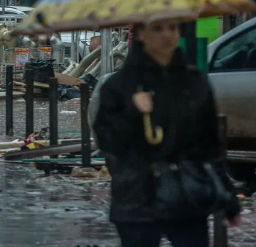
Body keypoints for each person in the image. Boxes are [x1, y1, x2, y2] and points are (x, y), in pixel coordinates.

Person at [93, 20, 241, 247]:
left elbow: (210, 144)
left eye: (172, 28)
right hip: (137, 200)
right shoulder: (119, 85)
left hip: (187, 196)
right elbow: (108, 141)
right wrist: (134, 112)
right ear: (141, 34)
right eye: (158, 28)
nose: (167, 35)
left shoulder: (194, 82)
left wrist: (228, 195)